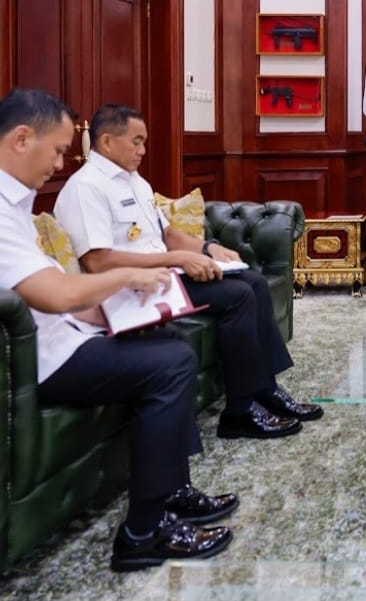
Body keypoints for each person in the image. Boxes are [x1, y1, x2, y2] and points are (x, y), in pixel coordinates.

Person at [0, 88, 235, 571]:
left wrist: (110, 314)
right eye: (57, 150)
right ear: (22, 139)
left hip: (59, 337)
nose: (60, 163)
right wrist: (125, 279)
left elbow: (49, 294)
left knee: (164, 339)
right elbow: (57, 294)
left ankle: (174, 489)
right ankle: (144, 532)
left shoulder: (15, 204)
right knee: (170, 364)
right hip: (39, 360)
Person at [53, 104, 323, 441]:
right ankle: (240, 412)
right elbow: (99, 262)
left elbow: (167, 235)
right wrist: (178, 259)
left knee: (253, 281)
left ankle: (265, 390)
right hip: (128, 290)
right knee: (237, 296)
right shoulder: (86, 188)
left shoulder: (135, 181)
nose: (143, 150)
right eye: (136, 142)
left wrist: (208, 248)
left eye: (144, 142)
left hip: (162, 277)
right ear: (107, 141)